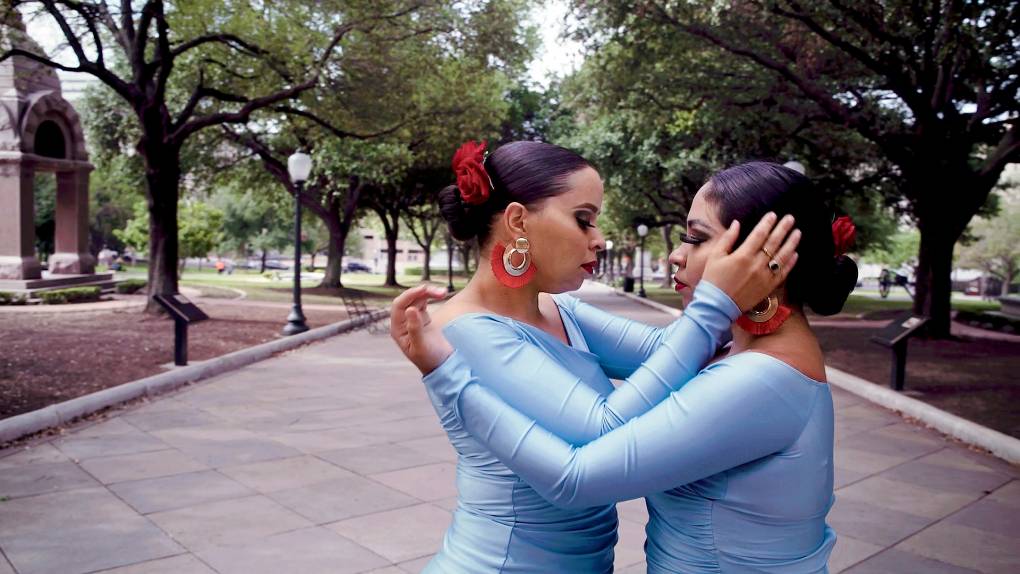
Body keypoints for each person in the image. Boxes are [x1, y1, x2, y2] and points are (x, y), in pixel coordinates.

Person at [390, 141, 802, 573]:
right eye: (583, 220)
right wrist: (716, 301)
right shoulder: (466, 328)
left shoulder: (558, 309)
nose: (599, 240)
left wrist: (739, 276)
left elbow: (671, 352)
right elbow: (599, 429)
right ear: (517, 221)